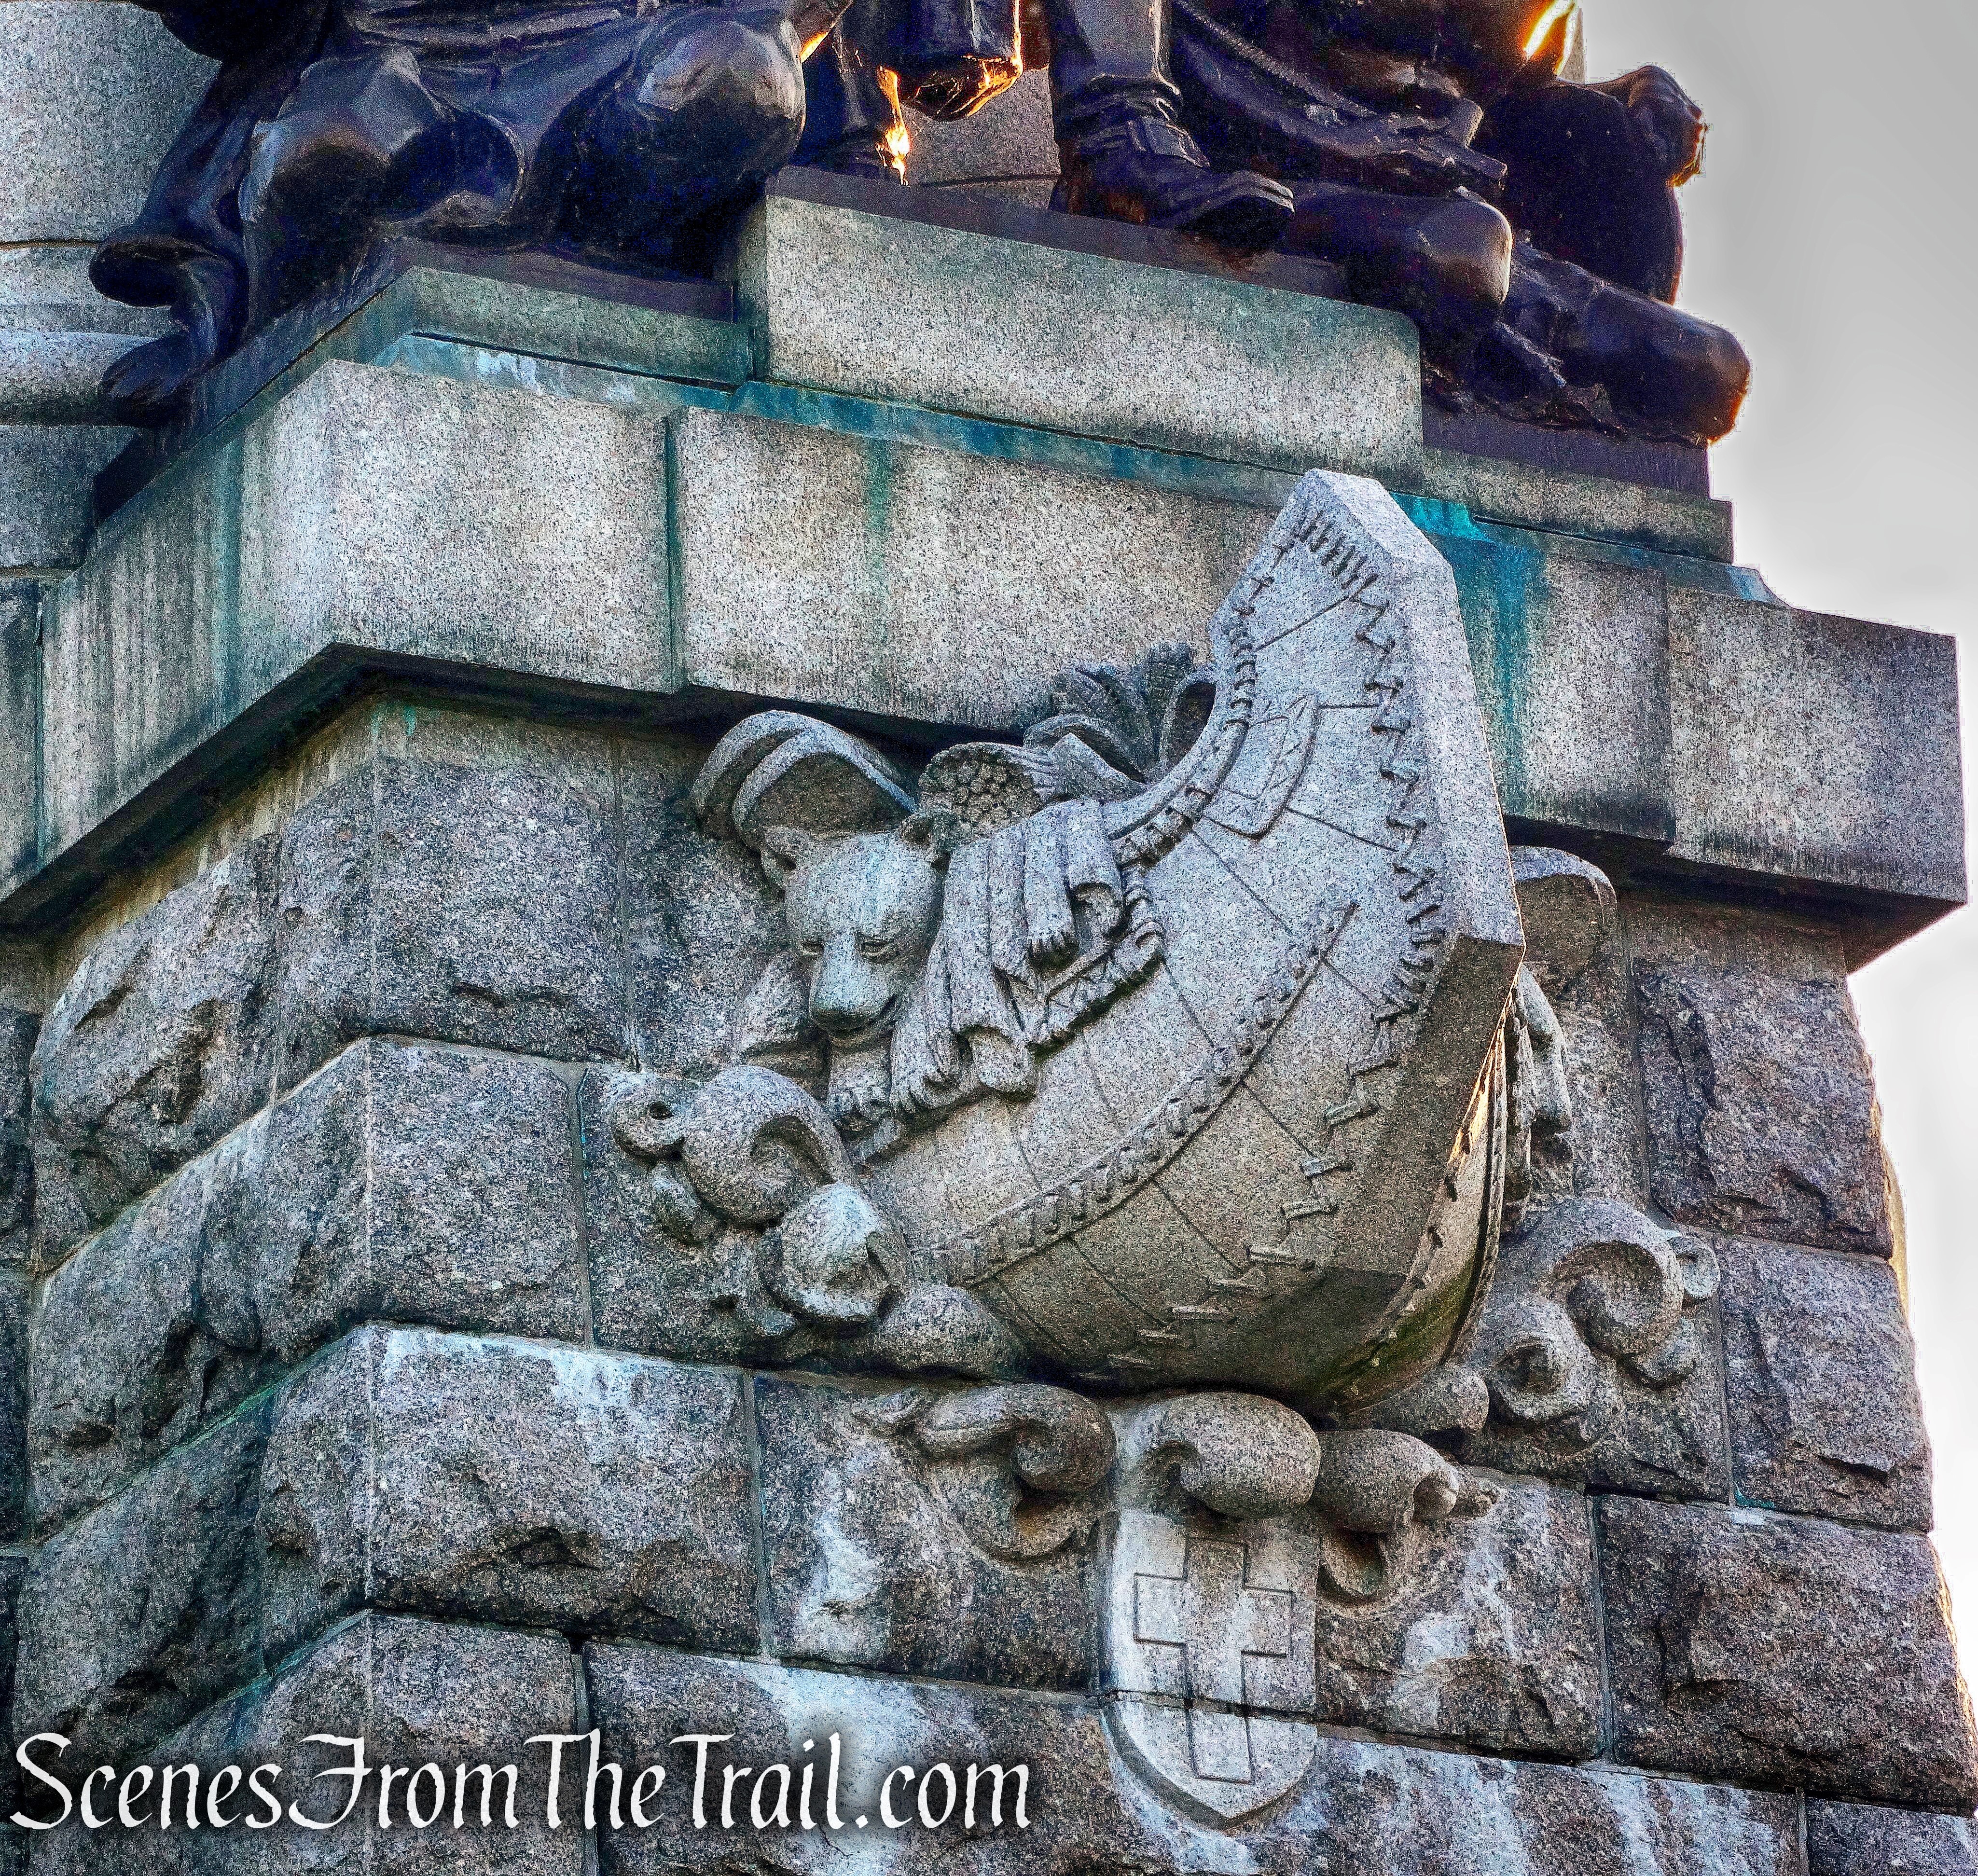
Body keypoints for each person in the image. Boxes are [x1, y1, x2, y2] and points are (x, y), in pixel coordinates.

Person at [93, 0, 849, 419]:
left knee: (737, 78)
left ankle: (604, 276)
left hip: (627, 57)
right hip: (396, 71)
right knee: (326, 153)